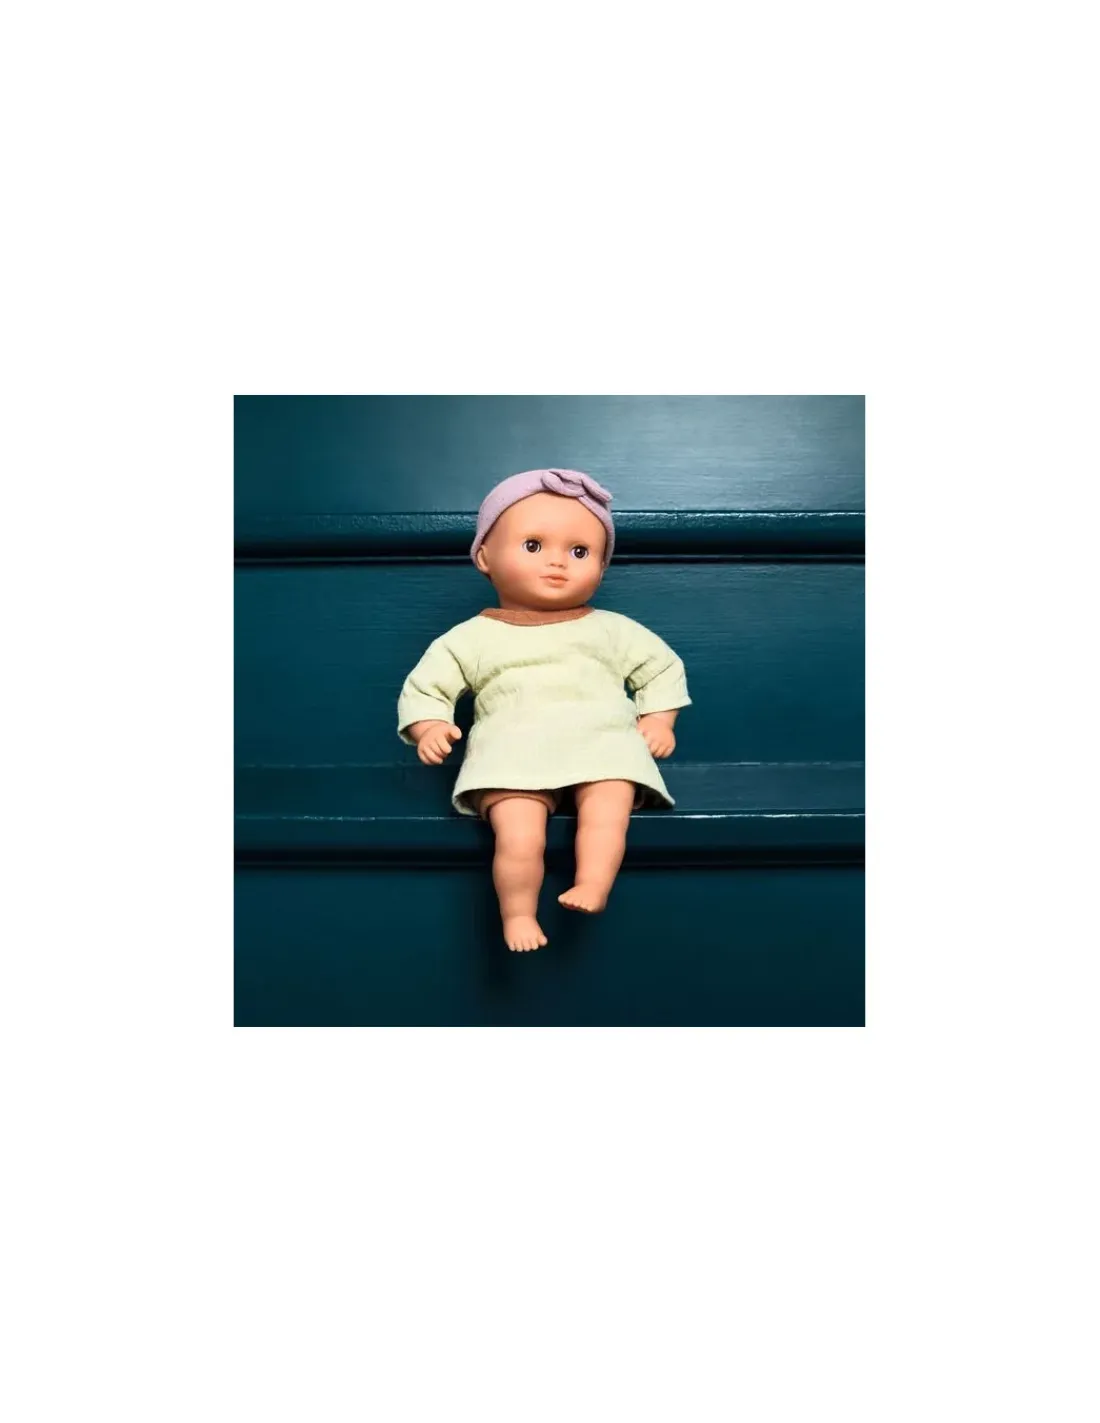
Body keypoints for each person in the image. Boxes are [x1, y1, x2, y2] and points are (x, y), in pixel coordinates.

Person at [396, 469, 691, 952]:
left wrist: (659, 719)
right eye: (533, 545)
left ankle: (593, 883)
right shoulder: (472, 638)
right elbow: (428, 686)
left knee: (608, 810)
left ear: (601, 567)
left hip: (603, 744)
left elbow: (661, 668)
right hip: (513, 752)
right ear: (485, 557)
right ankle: (518, 914)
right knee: (518, 836)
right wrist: (430, 725)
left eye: (580, 552)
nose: (557, 562)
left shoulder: (611, 630)